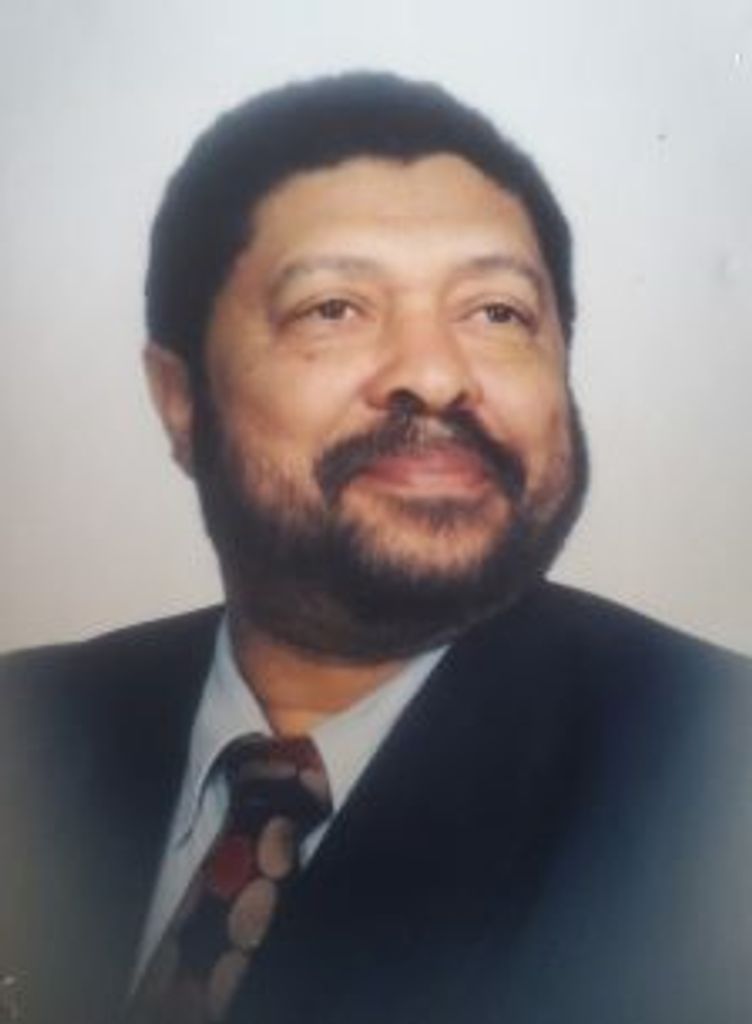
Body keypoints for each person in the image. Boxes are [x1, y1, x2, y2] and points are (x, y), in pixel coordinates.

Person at [1, 72, 750, 1024]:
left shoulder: (720, 777)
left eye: (497, 313)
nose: (435, 375)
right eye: (334, 308)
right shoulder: (26, 728)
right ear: (181, 401)